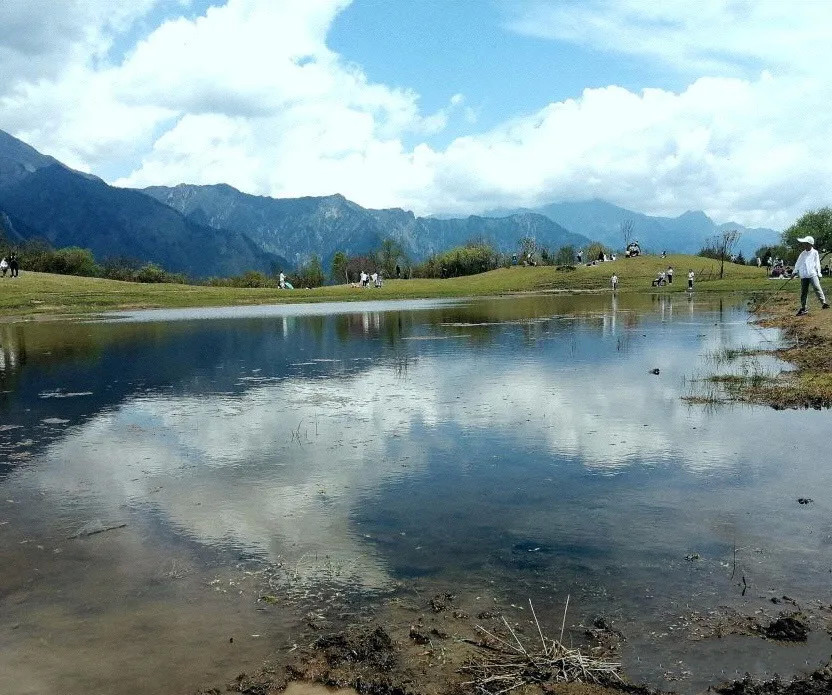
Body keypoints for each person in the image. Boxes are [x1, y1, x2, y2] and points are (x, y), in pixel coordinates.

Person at [793, 235, 829, 315]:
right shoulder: (802, 254)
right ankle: (803, 307)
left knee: (817, 287)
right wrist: (794, 272)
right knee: (804, 292)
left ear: (810, 244)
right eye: (804, 244)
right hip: (804, 275)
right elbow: (798, 263)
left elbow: (817, 263)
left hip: (812, 274)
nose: (804, 245)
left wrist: (819, 273)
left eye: (805, 243)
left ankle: (824, 303)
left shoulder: (815, 253)